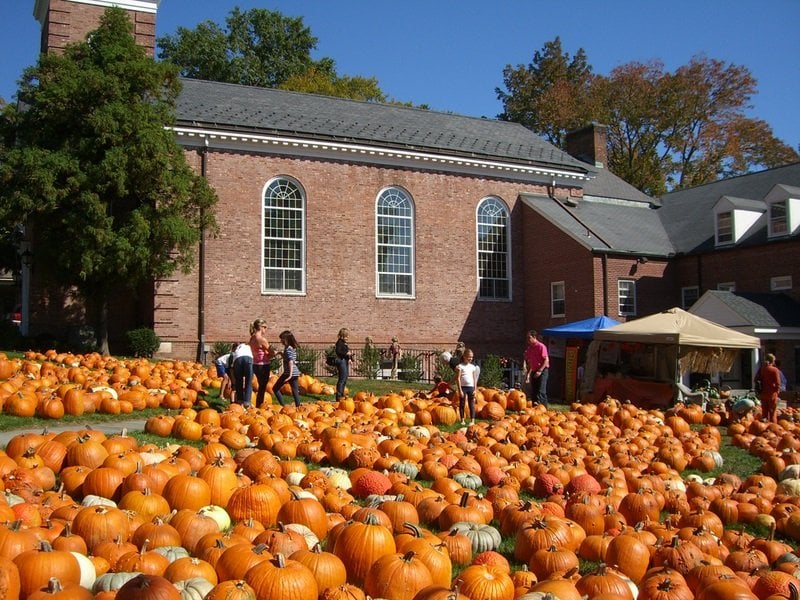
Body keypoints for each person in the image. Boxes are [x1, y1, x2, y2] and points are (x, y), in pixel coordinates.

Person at [249, 318, 275, 407]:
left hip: (254, 364)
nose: (266, 329)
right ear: (260, 327)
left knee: (256, 386)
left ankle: (254, 403)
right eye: (265, 327)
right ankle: (259, 406)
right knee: (262, 388)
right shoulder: (262, 339)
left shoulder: (252, 338)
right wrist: (273, 353)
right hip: (263, 365)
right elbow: (271, 352)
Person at [274, 330, 302, 407]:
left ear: (286, 339)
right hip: (295, 372)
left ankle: (283, 406)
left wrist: (289, 375)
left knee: (275, 388)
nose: (280, 341)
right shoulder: (290, 348)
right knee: (295, 391)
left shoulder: (288, 349)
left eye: (282, 339)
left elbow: (290, 361)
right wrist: (280, 353)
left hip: (289, 373)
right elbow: (287, 358)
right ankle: (298, 407)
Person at [524, 329, 550, 407]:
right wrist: (528, 375)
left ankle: (543, 408)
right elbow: (529, 363)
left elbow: (546, 360)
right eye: (527, 338)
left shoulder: (541, 346)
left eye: (529, 338)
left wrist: (540, 371)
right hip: (534, 370)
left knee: (541, 390)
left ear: (534, 337)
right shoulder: (529, 349)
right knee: (534, 391)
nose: (528, 340)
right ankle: (534, 408)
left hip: (542, 370)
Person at [755, 353, 782, 423]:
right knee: (772, 413)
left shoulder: (762, 369)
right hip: (772, 394)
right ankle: (772, 428)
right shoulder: (774, 370)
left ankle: (764, 429)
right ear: (773, 361)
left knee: (764, 413)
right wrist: (777, 391)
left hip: (763, 393)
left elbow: (755, 379)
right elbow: (778, 383)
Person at [455, 348, 479, 424]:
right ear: (464, 356)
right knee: (462, 404)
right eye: (469, 357)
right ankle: (462, 420)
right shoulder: (460, 366)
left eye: (472, 357)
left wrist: (475, 389)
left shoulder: (472, 367)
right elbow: (458, 378)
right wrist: (460, 390)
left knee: (471, 404)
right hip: (463, 387)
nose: (471, 359)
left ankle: (472, 420)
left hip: (471, 387)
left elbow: (474, 379)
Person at [231, 341, 254, 408]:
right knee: (249, 381)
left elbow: (232, 367)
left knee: (239, 381)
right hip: (248, 358)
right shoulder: (248, 346)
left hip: (237, 359)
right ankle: (247, 402)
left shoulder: (236, 349)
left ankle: (240, 400)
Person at [334, 327, 353, 400]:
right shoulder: (339, 342)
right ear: (343, 335)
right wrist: (346, 353)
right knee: (342, 378)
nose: (348, 337)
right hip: (341, 361)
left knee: (345, 378)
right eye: (347, 335)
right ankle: (339, 395)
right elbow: (338, 352)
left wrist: (349, 359)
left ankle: (341, 393)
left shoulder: (344, 343)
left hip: (345, 361)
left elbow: (346, 353)